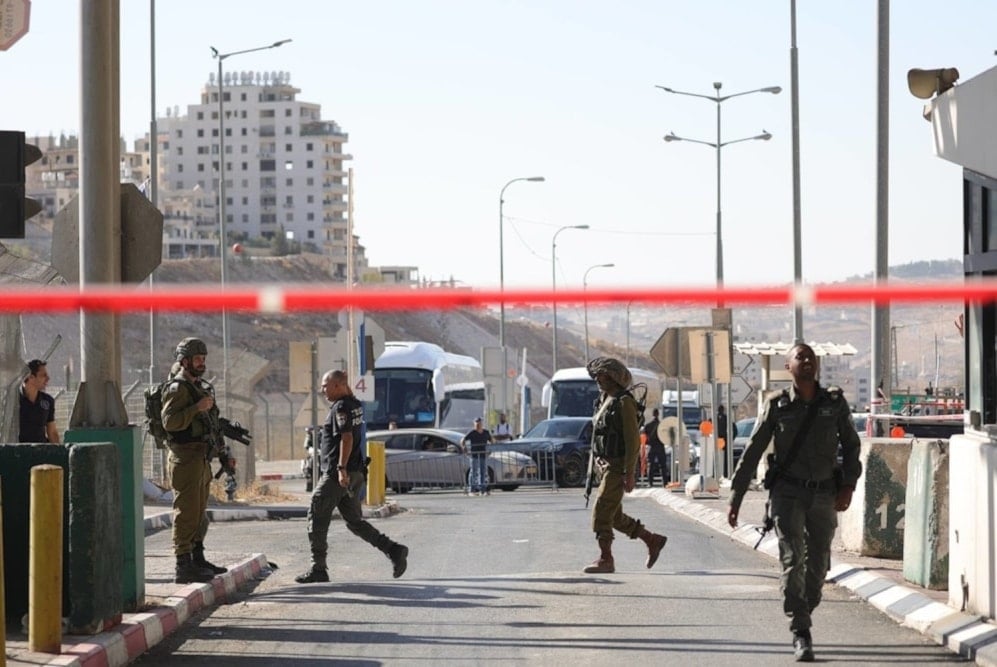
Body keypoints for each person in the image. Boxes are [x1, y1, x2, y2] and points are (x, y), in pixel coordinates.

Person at [726, 343, 862, 662]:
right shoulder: (777, 405)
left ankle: (805, 608)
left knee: (818, 565)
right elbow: (752, 451)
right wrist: (736, 497)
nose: (806, 361)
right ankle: (800, 629)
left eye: (810, 357)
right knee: (792, 559)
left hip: (825, 494)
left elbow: (853, 446)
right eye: (799, 357)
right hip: (787, 495)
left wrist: (848, 486)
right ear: (788, 366)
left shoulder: (834, 402)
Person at [296, 370, 409, 583]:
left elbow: (346, 438)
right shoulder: (354, 405)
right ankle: (394, 550)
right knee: (355, 522)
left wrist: (340, 469)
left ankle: (318, 568)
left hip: (339, 474)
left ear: (338, 385)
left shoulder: (341, 408)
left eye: (325, 386)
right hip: (354, 472)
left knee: (317, 514)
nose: (322, 390)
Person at [583, 357, 668, 574]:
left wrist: (630, 472)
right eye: (597, 376)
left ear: (613, 377)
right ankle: (652, 540)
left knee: (602, 510)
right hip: (605, 466)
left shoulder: (624, 402)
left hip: (617, 466)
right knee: (614, 515)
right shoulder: (604, 400)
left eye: (603, 376)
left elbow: (632, 440)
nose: (598, 380)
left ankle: (606, 558)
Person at [161, 337, 228, 584]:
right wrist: (196, 408)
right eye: (197, 359)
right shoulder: (178, 388)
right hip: (184, 457)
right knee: (186, 512)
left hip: (200, 456)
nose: (202, 363)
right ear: (185, 361)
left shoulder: (198, 386)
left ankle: (197, 558)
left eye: (203, 359)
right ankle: (182, 564)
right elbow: (170, 422)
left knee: (200, 512)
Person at [18, 359, 60, 444]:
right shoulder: (14, 401)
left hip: (40, 452)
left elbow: (52, 432)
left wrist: (58, 452)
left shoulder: (47, 401)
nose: (48, 379)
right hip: (17, 452)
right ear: (31, 377)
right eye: (43, 375)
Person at [461, 417, 493, 495]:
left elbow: (492, 440)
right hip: (474, 455)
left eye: (479, 423)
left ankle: (482, 489)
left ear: (482, 424)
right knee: (473, 471)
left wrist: (490, 450)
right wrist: (464, 448)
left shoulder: (486, 432)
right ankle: (471, 490)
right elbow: (463, 440)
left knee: (483, 471)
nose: (478, 425)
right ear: (474, 424)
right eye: (476, 424)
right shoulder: (472, 432)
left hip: (483, 454)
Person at [643, 408, 668, 488]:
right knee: (663, 466)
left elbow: (644, 436)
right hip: (660, 447)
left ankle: (650, 483)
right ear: (658, 414)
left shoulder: (648, 426)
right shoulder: (662, 425)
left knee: (651, 465)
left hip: (652, 447)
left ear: (653, 414)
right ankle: (665, 483)